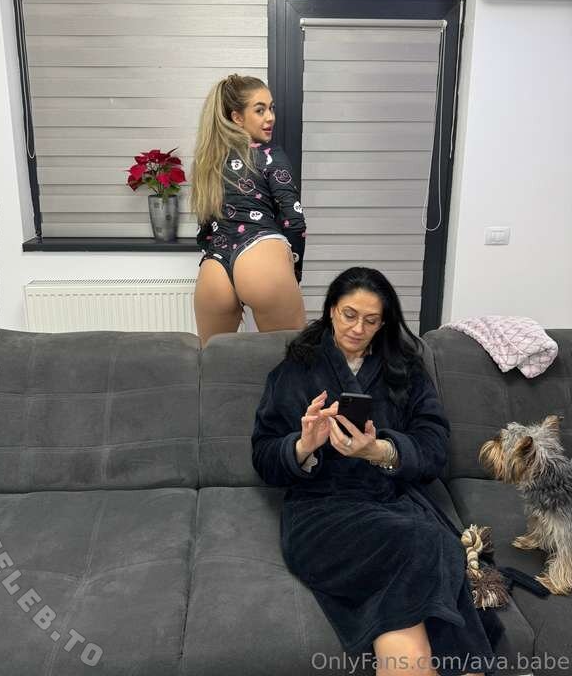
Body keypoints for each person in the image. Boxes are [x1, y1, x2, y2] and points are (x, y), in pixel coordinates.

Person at [251, 267, 504, 676]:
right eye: (349, 315)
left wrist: (380, 450)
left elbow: (434, 447)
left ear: (383, 323)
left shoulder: (404, 370)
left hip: (389, 501)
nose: (358, 328)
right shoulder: (295, 369)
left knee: (423, 549)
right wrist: (303, 446)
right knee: (430, 543)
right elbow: (263, 455)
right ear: (331, 310)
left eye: (371, 321)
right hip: (321, 512)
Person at [190, 73, 307, 345]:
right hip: (261, 254)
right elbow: (294, 221)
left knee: (216, 364)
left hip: (214, 269)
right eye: (260, 110)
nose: (271, 117)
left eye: (271, 108)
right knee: (294, 360)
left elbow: (204, 228)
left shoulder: (208, 163)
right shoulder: (270, 155)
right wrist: (292, 272)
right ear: (237, 117)